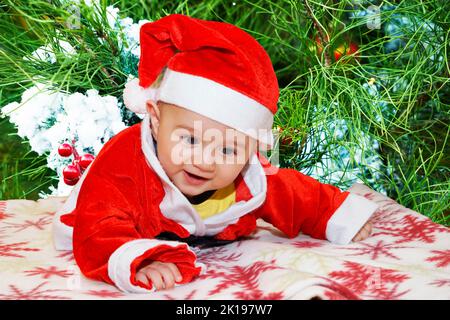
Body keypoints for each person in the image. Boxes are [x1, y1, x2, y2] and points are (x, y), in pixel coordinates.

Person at [52, 14, 378, 293]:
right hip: (124, 227)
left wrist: (336, 214)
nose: (205, 161)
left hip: (201, 231)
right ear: (155, 120)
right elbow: (98, 224)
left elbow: (296, 194)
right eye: (190, 140)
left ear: (252, 149)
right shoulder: (124, 163)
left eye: (227, 149)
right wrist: (137, 259)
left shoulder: (249, 178)